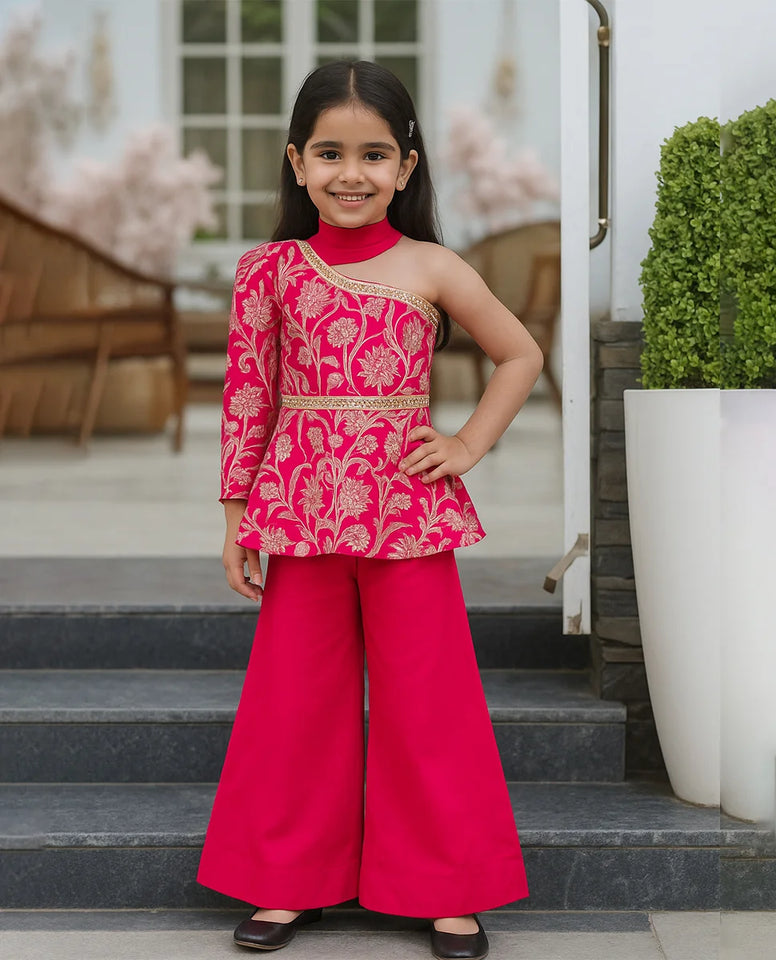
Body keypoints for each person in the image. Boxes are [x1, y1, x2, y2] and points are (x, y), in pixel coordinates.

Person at [196, 59, 543, 960]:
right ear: (297, 162)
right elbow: (248, 397)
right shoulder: (268, 270)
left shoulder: (432, 265)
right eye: (331, 153)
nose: (352, 174)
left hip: (405, 514)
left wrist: (466, 445)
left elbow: (520, 355)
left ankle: (449, 887)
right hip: (299, 509)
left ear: (408, 166)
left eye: (375, 155)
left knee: (428, 702)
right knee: (293, 701)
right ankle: (285, 881)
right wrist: (237, 516)